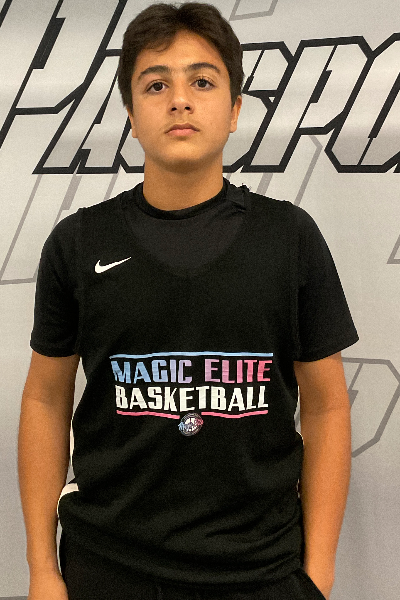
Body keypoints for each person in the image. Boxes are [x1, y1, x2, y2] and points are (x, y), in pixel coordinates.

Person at [18, 3, 359, 600]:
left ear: (234, 110)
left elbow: (328, 407)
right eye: (156, 85)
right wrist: (43, 569)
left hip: (259, 572)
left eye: (202, 82)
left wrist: (319, 572)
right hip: (108, 568)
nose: (179, 100)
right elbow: (45, 399)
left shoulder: (289, 238)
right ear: (130, 115)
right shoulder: (79, 243)